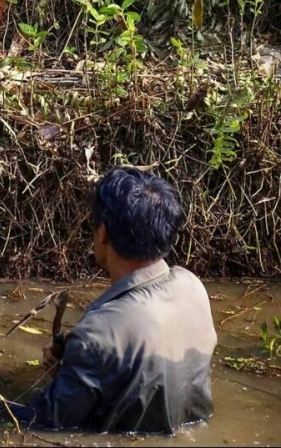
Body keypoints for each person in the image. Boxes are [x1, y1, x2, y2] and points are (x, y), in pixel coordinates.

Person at [12, 167, 217, 434]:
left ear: (103, 233)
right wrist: (73, 364)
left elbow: (45, 422)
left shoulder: (96, 336)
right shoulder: (192, 286)